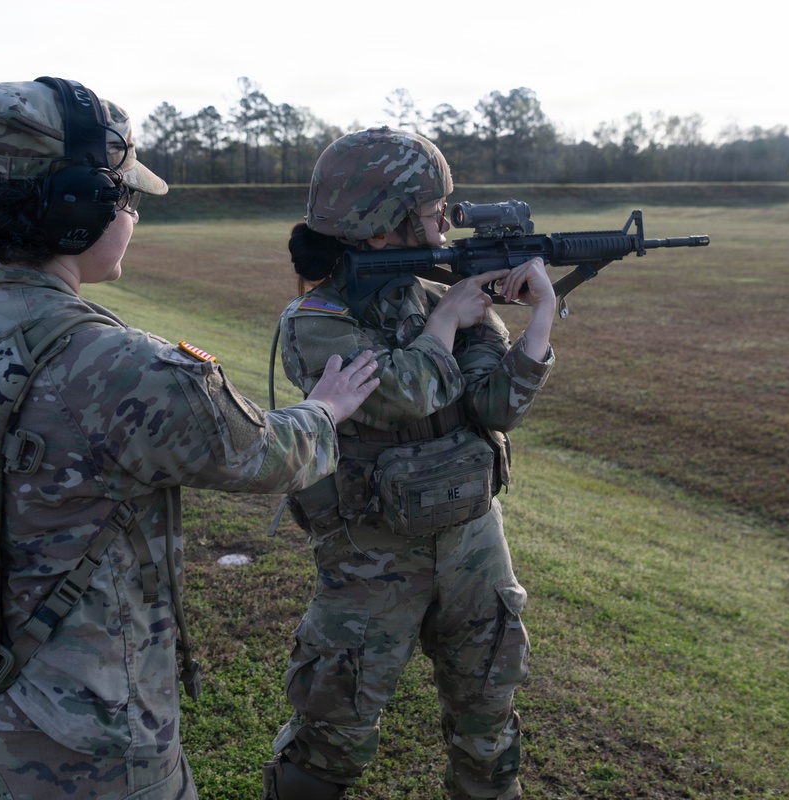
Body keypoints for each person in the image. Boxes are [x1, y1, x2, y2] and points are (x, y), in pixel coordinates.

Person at [0, 77, 379, 800]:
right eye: (125, 198)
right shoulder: (118, 365)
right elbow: (267, 458)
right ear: (79, 208)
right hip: (88, 732)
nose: (132, 215)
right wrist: (326, 411)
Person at [263, 127, 557, 800]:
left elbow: (497, 406)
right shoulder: (316, 320)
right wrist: (448, 321)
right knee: (332, 729)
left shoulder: (437, 296)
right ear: (378, 229)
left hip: (472, 545)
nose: (446, 225)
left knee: (487, 717)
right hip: (372, 554)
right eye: (433, 211)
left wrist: (539, 317)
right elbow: (402, 395)